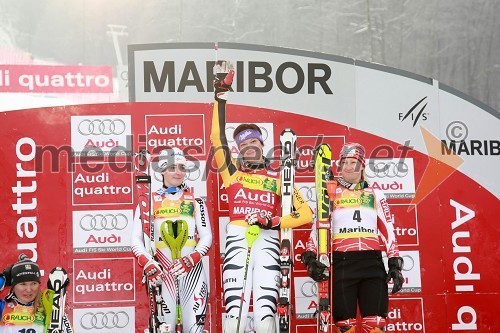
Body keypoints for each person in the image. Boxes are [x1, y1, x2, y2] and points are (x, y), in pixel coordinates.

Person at [211, 62, 313, 333]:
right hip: (237, 239)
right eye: (243, 146)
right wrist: (221, 94)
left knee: (266, 315)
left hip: (267, 241)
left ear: (262, 145)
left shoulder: (280, 180)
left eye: (253, 143)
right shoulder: (232, 173)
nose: (249, 148)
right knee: (235, 313)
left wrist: (275, 221)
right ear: (239, 151)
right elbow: (216, 137)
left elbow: (306, 215)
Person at [301, 142, 404, 333]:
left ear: (362, 165)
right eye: (344, 163)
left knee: (375, 327)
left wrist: (395, 263)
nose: (348, 167)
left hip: (372, 263)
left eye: (353, 163)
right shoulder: (331, 193)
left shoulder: (375, 193)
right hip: (342, 264)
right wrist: (310, 256)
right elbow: (319, 226)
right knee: (345, 327)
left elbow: (388, 229)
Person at [131, 147, 212, 333]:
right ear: (162, 170)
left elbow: (207, 236)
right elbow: (136, 239)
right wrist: (147, 262)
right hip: (162, 274)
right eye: (172, 167)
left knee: (194, 330)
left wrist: (192, 259)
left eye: (182, 168)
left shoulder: (195, 200)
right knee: (163, 330)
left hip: (192, 274)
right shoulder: (148, 200)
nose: (178, 172)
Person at [0, 254, 73, 333]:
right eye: (23, 284)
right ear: (13, 286)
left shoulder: (49, 307)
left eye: (33, 283)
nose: (28, 289)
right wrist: (3, 279)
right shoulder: (2, 307)